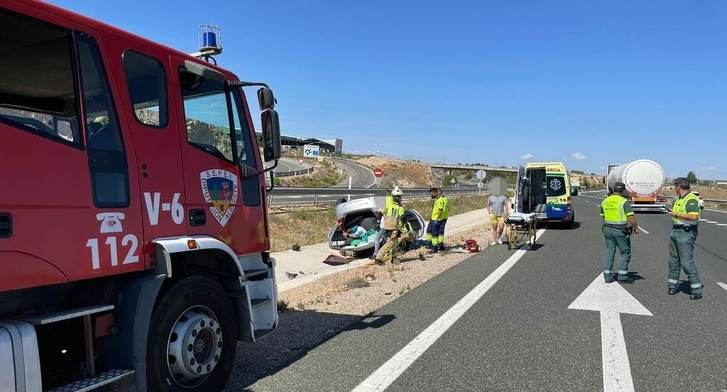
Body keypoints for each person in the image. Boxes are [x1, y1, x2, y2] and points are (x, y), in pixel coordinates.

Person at [666, 178, 703, 299]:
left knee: (686, 262)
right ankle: (672, 286)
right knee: (673, 261)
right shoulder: (679, 199)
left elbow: (693, 216)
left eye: (675, 186)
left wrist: (675, 214)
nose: (674, 189)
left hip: (686, 232)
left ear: (679, 187)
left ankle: (696, 290)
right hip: (675, 231)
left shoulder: (691, 199)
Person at [600, 182, 639, 283]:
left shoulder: (605, 201)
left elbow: (603, 216)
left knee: (609, 251)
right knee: (625, 252)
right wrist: (635, 227)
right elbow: (631, 217)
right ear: (623, 190)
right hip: (620, 230)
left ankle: (607, 275)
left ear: (613, 190)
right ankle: (622, 275)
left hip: (607, 229)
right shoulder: (623, 201)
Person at [374, 187, 406, 263]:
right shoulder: (399, 207)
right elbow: (401, 219)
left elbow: (380, 212)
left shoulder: (392, 205)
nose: (400, 198)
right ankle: (378, 258)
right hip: (392, 227)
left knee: (394, 243)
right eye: (399, 196)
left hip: (389, 227)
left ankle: (393, 258)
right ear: (395, 197)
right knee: (389, 243)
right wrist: (400, 229)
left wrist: (378, 222)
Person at [426, 187, 449, 252]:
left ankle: (434, 247)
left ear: (437, 193)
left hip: (437, 219)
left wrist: (437, 218)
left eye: (432, 193)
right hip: (441, 218)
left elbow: (440, 210)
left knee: (434, 233)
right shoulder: (443, 199)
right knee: (439, 232)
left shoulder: (440, 200)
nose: (431, 194)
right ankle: (439, 245)